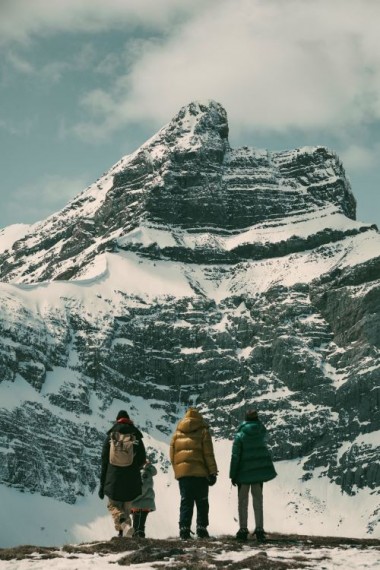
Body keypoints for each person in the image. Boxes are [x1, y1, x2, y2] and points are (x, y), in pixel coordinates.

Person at [229, 409, 277, 542]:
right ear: (256, 418)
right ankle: (260, 529)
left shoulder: (240, 435)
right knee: (258, 501)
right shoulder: (261, 433)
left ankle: (243, 529)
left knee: (243, 502)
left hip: (243, 474)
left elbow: (235, 456)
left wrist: (232, 474)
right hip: (258, 474)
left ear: (246, 419)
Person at [170, 407, 218, 539]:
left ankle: (184, 529)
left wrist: (178, 471)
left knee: (186, 502)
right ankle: (201, 529)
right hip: (200, 475)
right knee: (202, 502)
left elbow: (172, 455)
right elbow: (208, 454)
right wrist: (212, 472)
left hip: (184, 476)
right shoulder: (203, 431)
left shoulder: (177, 434)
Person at [99, 410, 146, 537]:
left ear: (117, 420)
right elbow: (142, 459)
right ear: (128, 419)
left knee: (113, 506)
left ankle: (121, 521)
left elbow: (104, 461)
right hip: (131, 481)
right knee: (127, 509)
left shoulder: (111, 436)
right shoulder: (135, 435)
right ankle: (125, 534)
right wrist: (134, 468)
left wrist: (102, 485)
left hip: (113, 479)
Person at [130, 459, 157, 538]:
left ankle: (138, 537)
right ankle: (138, 537)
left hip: (140, 503)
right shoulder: (145, 472)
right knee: (139, 523)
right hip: (144, 503)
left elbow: (143, 488)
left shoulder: (143, 473)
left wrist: (132, 500)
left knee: (138, 524)